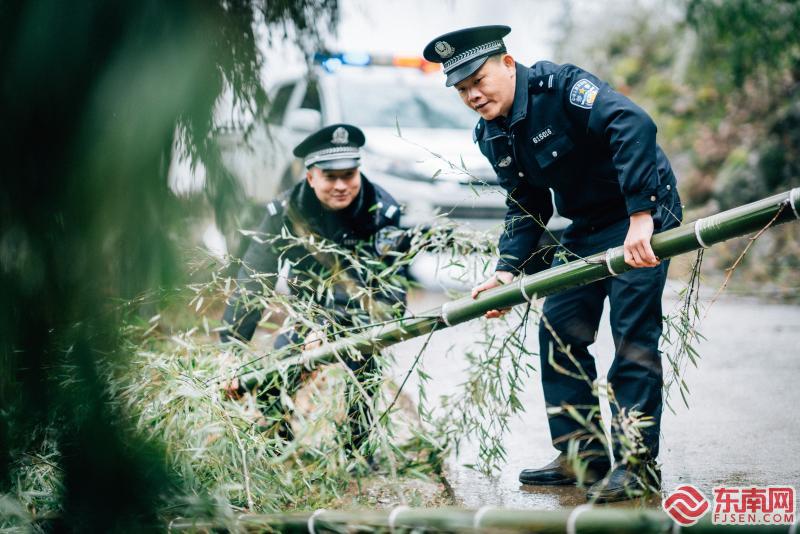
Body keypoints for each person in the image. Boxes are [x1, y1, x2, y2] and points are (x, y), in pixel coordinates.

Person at [423, 25, 683, 502]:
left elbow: (633, 124)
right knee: (559, 332)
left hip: (641, 215)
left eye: (478, 80)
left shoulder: (561, 86)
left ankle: (637, 464)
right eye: (462, 89)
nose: (473, 95)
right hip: (584, 227)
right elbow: (526, 204)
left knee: (632, 337)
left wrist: (641, 216)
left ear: (506, 63)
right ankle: (582, 454)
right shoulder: (491, 132)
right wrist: (505, 270)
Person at [220, 123, 408, 457]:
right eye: (329, 177)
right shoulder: (284, 212)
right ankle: (279, 444)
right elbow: (254, 280)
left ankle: (356, 453)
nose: (341, 186)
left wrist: (332, 327)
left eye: (348, 175)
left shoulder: (382, 212)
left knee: (361, 378)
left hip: (362, 315)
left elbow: (389, 288)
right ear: (310, 177)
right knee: (275, 374)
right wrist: (231, 349)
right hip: (306, 313)